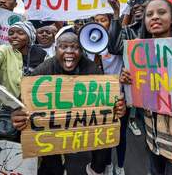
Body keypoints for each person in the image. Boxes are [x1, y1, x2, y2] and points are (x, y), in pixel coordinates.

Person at [11, 31, 126, 175]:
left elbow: (108, 103)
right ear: (56, 49)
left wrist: (118, 107)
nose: (69, 51)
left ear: (81, 51)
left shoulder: (91, 69)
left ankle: (96, 169)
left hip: (81, 124)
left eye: (75, 47)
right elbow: (21, 102)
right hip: (55, 128)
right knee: (50, 159)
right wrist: (17, 114)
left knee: (103, 138)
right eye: (64, 47)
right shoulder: (44, 69)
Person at [120, 0, 172, 175]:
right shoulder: (139, 54)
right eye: (149, 14)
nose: (154, 17)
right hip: (152, 139)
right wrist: (128, 80)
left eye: (161, 12)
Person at [107, 0, 151, 137]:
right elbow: (114, 48)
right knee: (148, 137)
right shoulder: (129, 31)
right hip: (137, 92)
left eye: (141, 0)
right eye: (132, 3)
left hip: (163, 92)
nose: (136, 5)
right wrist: (115, 14)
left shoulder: (163, 29)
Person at [90, 13, 127, 175]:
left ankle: (120, 165)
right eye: (96, 21)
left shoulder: (116, 43)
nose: (99, 23)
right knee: (104, 134)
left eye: (103, 20)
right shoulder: (88, 43)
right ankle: (108, 163)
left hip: (119, 97)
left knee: (121, 134)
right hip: (98, 99)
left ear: (109, 22)